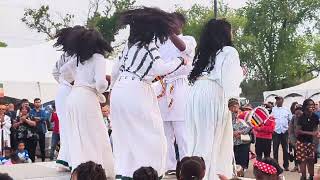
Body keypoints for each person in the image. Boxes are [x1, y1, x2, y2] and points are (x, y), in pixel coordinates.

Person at [110, 7, 188, 179]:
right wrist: (180, 60)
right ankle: (151, 172)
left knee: (124, 134)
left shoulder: (129, 46)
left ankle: (125, 172)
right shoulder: (149, 45)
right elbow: (160, 68)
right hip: (137, 90)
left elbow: (115, 71)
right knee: (152, 133)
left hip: (119, 90)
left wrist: (111, 94)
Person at [185, 19, 244, 180]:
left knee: (196, 138)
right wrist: (234, 99)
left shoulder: (202, 54)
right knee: (212, 140)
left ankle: (193, 174)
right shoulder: (229, 51)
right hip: (213, 94)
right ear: (224, 33)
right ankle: (209, 175)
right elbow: (230, 79)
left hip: (195, 93)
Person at [62, 28, 115, 178]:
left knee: (77, 136)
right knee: (95, 134)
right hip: (87, 97)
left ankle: (79, 172)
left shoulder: (78, 59)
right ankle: (96, 172)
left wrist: (78, 80)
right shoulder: (98, 57)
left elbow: (63, 72)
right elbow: (100, 85)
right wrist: (105, 82)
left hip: (73, 97)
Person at [153, 12, 196, 175]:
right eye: (168, 22)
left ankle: (186, 165)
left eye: (173, 21)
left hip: (179, 86)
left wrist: (169, 32)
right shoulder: (160, 43)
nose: (170, 23)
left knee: (181, 130)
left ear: (181, 24)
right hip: (162, 86)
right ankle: (170, 165)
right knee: (165, 130)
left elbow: (182, 49)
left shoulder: (189, 40)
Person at [52, 26, 86, 169]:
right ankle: (73, 160)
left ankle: (65, 159)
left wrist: (62, 82)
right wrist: (70, 82)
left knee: (66, 127)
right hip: (70, 91)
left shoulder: (65, 54)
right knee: (74, 126)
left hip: (61, 90)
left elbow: (54, 72)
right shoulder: (77, 54)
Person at [296, 99, 319, 180]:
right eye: (309, 105)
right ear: (305, 106)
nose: (312, 106)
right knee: (303, 160)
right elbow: (298, 131)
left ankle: (311, 176)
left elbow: (316, 129)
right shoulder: (301, 117)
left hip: (311, 142)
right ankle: (303, 176)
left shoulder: (315, 116)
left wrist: (317, 134)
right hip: (301, 142)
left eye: (313, 105)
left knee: (311, 160)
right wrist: (311, 133)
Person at [228, 98, 251, 172]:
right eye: (231, 106)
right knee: (233, 162)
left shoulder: (244, 114)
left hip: (243, 142)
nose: (233, 108)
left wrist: (240, 132)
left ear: (238, 105)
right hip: (232, 142)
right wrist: (231, 133)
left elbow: (250, 126)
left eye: (235, 106)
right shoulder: (227, 116)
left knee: (242, 162)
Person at [272, 96, 292, 171]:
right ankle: (276, 166)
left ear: (282, 100)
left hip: (284, 132)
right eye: (277, 100)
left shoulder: (286, 109)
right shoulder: (273, 110)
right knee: (275, 149)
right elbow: (270, 119)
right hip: (276, 132)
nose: (278, 101)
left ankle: (286, 166)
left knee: (285, 149)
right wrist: (272, 129)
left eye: (279, 99)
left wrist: (288, 130)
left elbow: (290, 120)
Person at [29, 98, 47, 162]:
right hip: (33, 131)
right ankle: (32, 160)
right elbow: (30, 117)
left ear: (40, 103)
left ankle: (43, 160)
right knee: (33, 147)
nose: (37, 103)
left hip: (42, 130)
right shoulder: (31, 111)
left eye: (38, 102)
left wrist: (38, 118)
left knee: (42, 147)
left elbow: (45, 118)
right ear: (34, 103)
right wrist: (38, 118)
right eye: (36, 102)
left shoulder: (43, 111)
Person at [288, 106, 303, 172]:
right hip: (295, 138)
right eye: (296, 114)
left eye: (299, 114)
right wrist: (292, 140)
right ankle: (296, 166)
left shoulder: (306, 118)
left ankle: (301, 167)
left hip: (303, 139)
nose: (298, 115)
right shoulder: (294, 117)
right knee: (295, 153)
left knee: (302, 154)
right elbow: (290, 129)